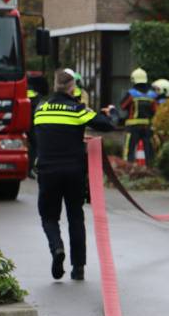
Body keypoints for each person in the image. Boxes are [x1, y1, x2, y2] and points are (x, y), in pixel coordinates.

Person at [34, 70, 114, 281]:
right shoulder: (77, 110)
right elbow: (106, 125)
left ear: (55, 85)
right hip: (73, 172)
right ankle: (78, 268)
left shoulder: (40, 109)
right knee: (75, 217)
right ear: (72, 88)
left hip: (48, 171)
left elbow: (44, 136)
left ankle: (57, 248)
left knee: (49, 217)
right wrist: (109, 113)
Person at [120, 67, 158, 163]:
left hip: (133, 127)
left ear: (133, 79)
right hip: (147, 127)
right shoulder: (152, 95)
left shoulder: (131, 94)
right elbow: (156, 110)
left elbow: (123, 106)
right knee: (149, 151)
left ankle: (127, 170)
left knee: (129, 150)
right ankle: (151, 171)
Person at [26, 73, 49, 179]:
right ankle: (30, 168)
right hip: (32, 122)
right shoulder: (37, 95)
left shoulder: (24, 89)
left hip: (21, 119)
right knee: (35, 144)